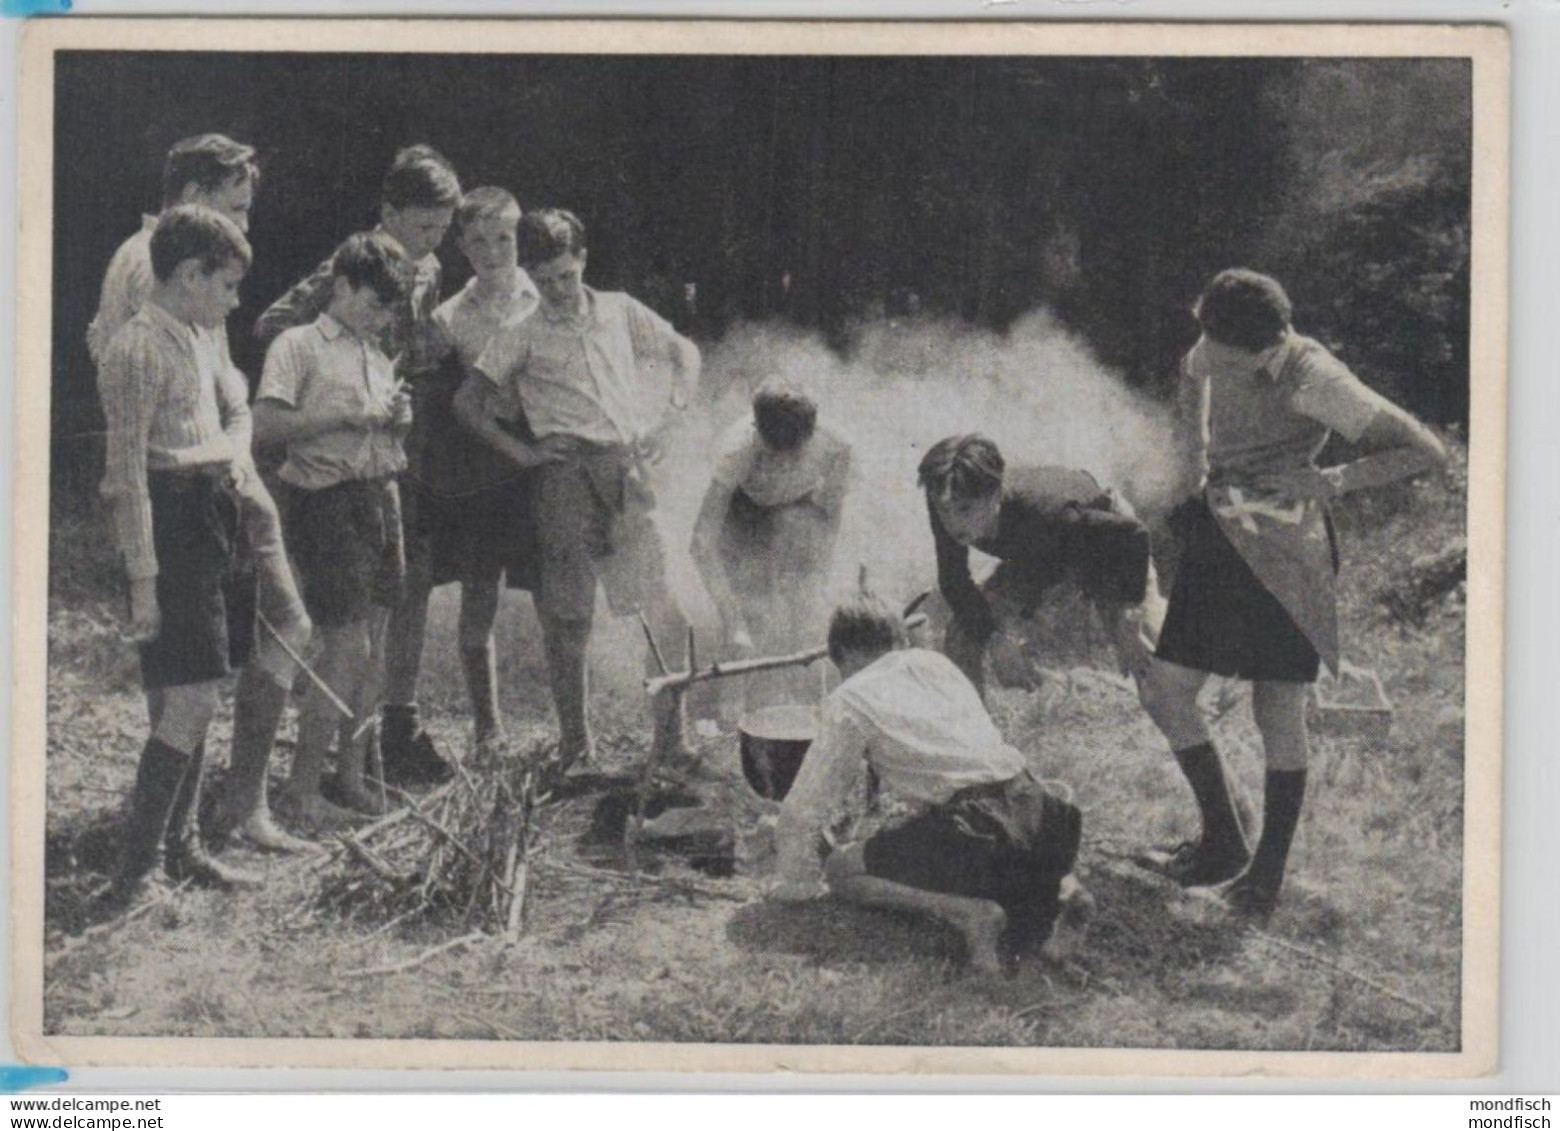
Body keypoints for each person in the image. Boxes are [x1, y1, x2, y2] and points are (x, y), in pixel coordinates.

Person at [1137, 268, 1447, 918]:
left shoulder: (1316, 380)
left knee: (1276, 710)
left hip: (1285, 554)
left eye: (1215, 344)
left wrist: (1330, 479)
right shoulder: (1219, 342)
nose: (1203, 348)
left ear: (1252, 347)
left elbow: (1423, 450)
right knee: (1166, 685)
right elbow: (1192, 374)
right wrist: (1191, 461)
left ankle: (1264, 877)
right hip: (1223, 536)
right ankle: (1223, 840)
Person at [87, 133, 315, 854]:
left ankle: (213, 820)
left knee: (247, 646)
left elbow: (225, 389)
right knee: (189, 676)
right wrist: (144, 562)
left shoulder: (197, 293)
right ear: (192, 200)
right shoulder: (142, 273)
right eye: (236, 207)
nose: (244, 225)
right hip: (179, 492)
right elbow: (131, 399)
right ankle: (165, 841)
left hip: (224, 477)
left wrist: (233, 451)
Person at [456, 208, 701, 767]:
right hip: (563, 479)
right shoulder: (520, 332)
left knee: (665, 608)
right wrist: (523, 453)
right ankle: (576, 749)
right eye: (542, 282)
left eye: (565, 276)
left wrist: (672, 413)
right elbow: (467, 403)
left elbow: (684, 351)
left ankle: (672, 742)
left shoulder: (619, 310)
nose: (557, 290)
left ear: (583, 261)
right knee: (569, 618)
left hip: (626, 472)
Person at [255, 143, 461, 786]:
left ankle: (372, 748)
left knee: (394, 604)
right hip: (337, 460)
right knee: (348, 624)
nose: (433, 241)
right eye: (423, 226)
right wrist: (338, 380)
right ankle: (325, 760)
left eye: (442, 230)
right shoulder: (356, 265)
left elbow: (412, 341)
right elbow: (275, 324)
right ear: (389, 212)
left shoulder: (423, 269)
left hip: (393, 450)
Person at [769, 593, 1088, 973]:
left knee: (841, 869)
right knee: (1008, 849)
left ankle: (970, 913)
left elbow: (804, 810)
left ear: (845, 655)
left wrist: (794, 884)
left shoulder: (850, 698)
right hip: (1044, 813)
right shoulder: (936, 663)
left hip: (979, 831)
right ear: (899, 640)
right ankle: (1067, 891)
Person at [97, 205, 269, 907]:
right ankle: (136, 873)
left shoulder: (195, 336)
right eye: (226, 285)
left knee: (200, 689)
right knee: (188, 696)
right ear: (191, 274)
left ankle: (183, 847)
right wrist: (144, 580)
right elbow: (127, 478)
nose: (233, 301)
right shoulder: (135, 349)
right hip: (170, 524)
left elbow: (230, 415)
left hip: (210, 514)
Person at [254, 233, 414, 827]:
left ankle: (349, 775)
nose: (381, 319)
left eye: (390, 311)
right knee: (344, 648)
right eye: (374, 304)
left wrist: (397, 421)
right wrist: (345, 416)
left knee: (375, 650)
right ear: (341, 286)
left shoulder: (377, 351)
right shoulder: (298, 345)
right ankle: (300, 791)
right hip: (326, 503)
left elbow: (380, 429)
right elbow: (266, 425)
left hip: (382, 496)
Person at [424, 187, 541, 752]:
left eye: (504, 238)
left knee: (557, 594)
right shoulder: (448, 319)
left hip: (546, 454)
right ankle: (487, 728)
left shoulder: (546, 296)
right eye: (478, 242)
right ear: (462, 249)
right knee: (479, 599)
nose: (494, 252)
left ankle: (574, 731)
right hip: (485, 467)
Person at [918, 434, 1162, 699]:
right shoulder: (948, 493)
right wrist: (995, 639)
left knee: (1151, 657)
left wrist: (1128, 619)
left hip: (1101, 548)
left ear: (995, 495)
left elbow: (1133, 535)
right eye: (945, 511)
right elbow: (954, 580)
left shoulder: (1049, 512)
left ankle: (1186, 707)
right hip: (1033, 556)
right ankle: (974, 736)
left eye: (965, 509)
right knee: (962, 634)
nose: (952, 523)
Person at [689, 379, 852, 708]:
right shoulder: (736, 450)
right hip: (745, 508)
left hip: (799, 507)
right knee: (749, 615)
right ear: (757, 430)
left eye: (794, 455)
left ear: (811, 433)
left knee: (806, 609)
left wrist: (820, 569)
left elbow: (829, 515)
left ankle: (805, 699)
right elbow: (701, 542)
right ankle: (729, 710)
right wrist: (733, 621)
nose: (784, 464)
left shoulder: (837, 446)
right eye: (772, 455)